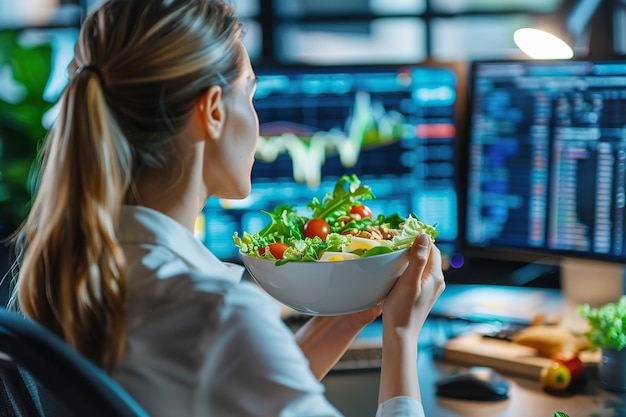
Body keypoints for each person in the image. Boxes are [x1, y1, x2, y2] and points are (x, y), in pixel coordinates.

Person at [9, 0, 446, 416]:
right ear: (213, 111)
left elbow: (223, 389)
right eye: (250, 94)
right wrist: (401, 337)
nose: (259, 122)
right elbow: (225, 352)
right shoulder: (218, 314)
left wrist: (356, 307)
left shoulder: (75, 273)